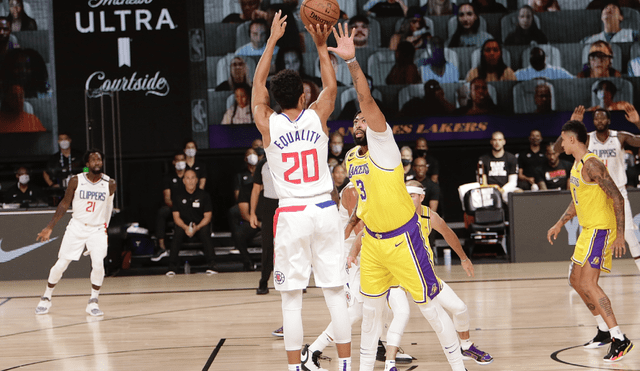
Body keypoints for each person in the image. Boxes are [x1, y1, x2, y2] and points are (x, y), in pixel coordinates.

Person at [331, 23, 465, 371]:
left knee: (432, 310)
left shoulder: (384, 145)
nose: (359, 122)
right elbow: (360, 202)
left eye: (364, 119)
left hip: (404, 240)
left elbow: (366, 98)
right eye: (356, 122)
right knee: (371, 316)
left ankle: (459, 367)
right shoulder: (350, 159)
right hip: (372, 242)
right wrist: (352, 219)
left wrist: (351, 63)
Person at [251, 13, 352, 370]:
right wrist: (322, 47)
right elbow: (331, 86)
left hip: (292, 212)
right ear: (303, 94)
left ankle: (295, 368)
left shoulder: (267, 122)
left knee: (291, 300)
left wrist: (271, 42)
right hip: (325, 209)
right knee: (336, 293)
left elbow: (256, 85)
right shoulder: (316, 115)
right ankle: (343, 366)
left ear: (274, 99)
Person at [547, 120, 634, 362]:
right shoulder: (577, 165)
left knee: (589, 283)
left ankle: (620, 338)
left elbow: (617, 197)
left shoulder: (592, 164)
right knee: (575, 280)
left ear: (572, 139)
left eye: (563, 139)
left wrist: (619, 235)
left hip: (601, 229)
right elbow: (578, 200)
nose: (561, 143)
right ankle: (604, 332)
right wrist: (560, 223)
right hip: (588, 230)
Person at [558, 105, 640, 272]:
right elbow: (558, 148)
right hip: (595, 192)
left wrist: (638, 123)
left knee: (629, 234)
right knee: (588, 230)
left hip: (617, 190)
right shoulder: (587, 139)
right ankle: (576, 268)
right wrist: (572, 124)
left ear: (609, 120)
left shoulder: (620, 136)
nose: (599, 121)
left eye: (603, 117)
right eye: (596, 118)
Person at [35, 150, 116, 316]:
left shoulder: (110, 183)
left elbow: (108, 207)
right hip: (77, 226)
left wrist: (105, 228)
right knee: (62, 264)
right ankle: (46, 297)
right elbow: (64, 204)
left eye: (99, 159)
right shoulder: (76, 180)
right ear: (87, 164)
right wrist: (50, 227)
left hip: (97, 229)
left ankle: (93, 301)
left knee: (98, 264)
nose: (97, 162)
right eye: (93, 159)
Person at [166, 169, 217, 276]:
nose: (191, 181)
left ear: (197, 180)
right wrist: (186, 228)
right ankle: (172, 267)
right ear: (183, 180)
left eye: (193, 178)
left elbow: (207, 217)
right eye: (188, 178)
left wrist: (197, 227)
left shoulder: (204, 195)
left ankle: (212, 265)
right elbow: (176, 217)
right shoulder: (177, 196)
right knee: (177, 233)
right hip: (183, 226)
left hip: (199, 225)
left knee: (205, 232)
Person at [151, 152, 187, 261]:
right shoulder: (168, 177)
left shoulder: (190, 176)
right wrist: (177, 208)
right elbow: (167, 198)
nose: (180, 162)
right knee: (162, 212)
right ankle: (161, 247)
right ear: (174, 162)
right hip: (173, 206)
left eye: (182, 160)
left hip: (189, 206)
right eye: (178, 160)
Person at [479, 131, 518, 201]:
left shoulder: (511, 158)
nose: (497, 143)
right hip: (489, 189)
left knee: (518, 193)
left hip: (506, 189)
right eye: (494, 140)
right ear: (491, 142)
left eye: (500, 140)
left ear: (504, 142)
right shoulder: (483, 159)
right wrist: (491, 189)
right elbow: (483, 182)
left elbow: (513, 182)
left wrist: (502, 190)